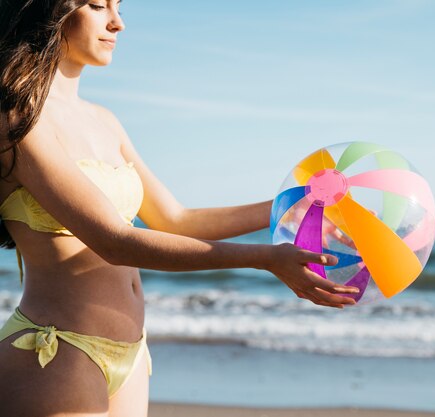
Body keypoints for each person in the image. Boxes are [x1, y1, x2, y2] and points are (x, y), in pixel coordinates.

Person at [0, 1, 360, 416]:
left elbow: (175, 220)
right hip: (56, 351)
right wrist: (264, 258)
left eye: (119, 7)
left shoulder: (105, 121)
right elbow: (115, 242)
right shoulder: (19, 119)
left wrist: (289, 207)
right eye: (98, 5)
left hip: (132, 355)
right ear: (49, 9)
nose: (117, 22)